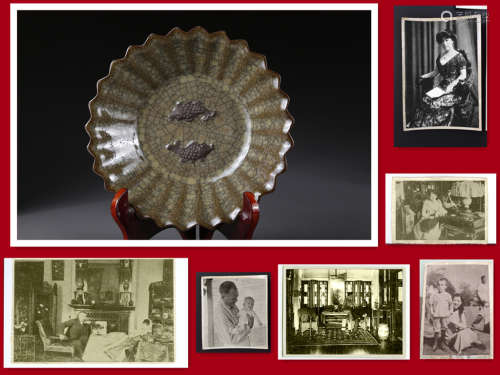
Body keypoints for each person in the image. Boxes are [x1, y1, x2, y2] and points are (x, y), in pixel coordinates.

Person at [410, 30, 477, 128]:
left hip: (455, 90)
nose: (444, 43)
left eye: (447, 40)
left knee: (436, 104)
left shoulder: (459, 57)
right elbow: (435, 72)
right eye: (442, 41)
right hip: (442, 87)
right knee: (425, 100)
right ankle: (422, 126)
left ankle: (438, 127)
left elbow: (463, 75)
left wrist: (452, 84)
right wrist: (423, 76)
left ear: (452, 41)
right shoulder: (440, 57)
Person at [213, 281, 253, 347]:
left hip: (243, 342)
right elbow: (231, 339)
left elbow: (238, 322)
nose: (236, 300)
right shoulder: (220, 314)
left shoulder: (231, 303)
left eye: (236, 296)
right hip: (234, 347)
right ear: (224, 296)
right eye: (233, 298)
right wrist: (249, 327)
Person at [429, 278, 452, 351]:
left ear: (445, 286)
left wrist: (450, 312)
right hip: (436, 315)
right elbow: (431, 304)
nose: (440, 286)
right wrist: (432, 311)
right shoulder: (434, 295)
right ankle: (435, 343)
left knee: (444, 329)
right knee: (436, 330)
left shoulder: (448, 295)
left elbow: (451, 304)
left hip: (444, 315)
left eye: (442, 285)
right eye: (439, 285)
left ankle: (442, 343)